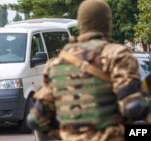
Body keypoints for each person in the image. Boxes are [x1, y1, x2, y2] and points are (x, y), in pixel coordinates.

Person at [27, 0, 151, 141]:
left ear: (81, 25)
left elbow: (36, 119)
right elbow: (132, 107)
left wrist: (66, 134)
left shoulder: (56, 63)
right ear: (108, 23)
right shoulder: (116, 55)